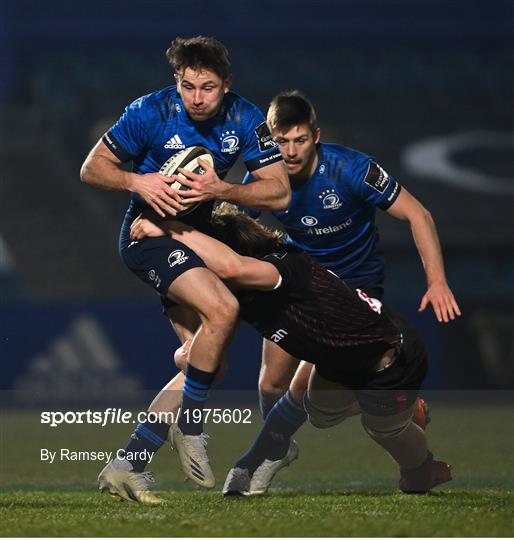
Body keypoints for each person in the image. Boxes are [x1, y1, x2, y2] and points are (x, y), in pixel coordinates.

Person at [80, 36, 290, 503]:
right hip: (149, 235)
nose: (196, 97)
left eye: (208, 87)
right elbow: (91, 169)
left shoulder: (246, 118)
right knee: (223, 308)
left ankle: (128, 464)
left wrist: (223, 189)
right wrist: (138, 180)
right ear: (177, 82)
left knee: (204, 361)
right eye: (188, 86)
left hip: (201, 238)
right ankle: (190, 428)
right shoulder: (149, 112)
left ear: (226, 84)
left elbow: (278, 193)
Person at [130, 205, 452, 495]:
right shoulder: (237, 299)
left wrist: (173, 229)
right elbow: (203, 348)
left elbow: (232, 268)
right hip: (339, 358)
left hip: (390, 360)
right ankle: (268, 452)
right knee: (320, 414)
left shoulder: (283, 266)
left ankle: (419, 464)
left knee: (384, 430)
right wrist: (187, 348)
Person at [238, 91, 460, 493]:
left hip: (355, 291)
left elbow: (418, 214)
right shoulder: (261, 179)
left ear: (316, 136)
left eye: (300, 140)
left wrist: (438, 281)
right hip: (303, 287)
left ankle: (266, 452)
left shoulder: (352, 169)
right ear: (269, 141)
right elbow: (233, 227)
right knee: (270, 384)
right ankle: (280, 448)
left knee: (308, 396)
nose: (290, 151)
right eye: (281, 141)